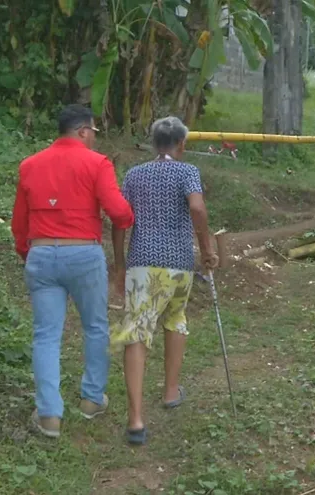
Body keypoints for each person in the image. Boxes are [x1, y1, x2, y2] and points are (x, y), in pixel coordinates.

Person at [11, 104, 135, 439]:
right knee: (95, 326)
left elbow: (19, 222)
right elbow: (117, 211)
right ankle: (92, 399)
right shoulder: (96, 163)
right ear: (83, 131)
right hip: (83, 254)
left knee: (46, 335)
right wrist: (128, 219)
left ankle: (49, 415)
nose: (94, 137)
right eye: (94, 131)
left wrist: (28, 253)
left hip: (41, 254)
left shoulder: (30, 165)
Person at [111, 116, 219, 446]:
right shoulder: (188, 172)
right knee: (176, 319)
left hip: (143, 263)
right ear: (181, 144)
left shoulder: (134, 174)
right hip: (179, 263)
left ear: (154, 143)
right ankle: (171, 391)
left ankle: (136, 420)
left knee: (137, 331)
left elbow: (120, 220)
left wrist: (119, 264)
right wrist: (206, 248)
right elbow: (197, 207)